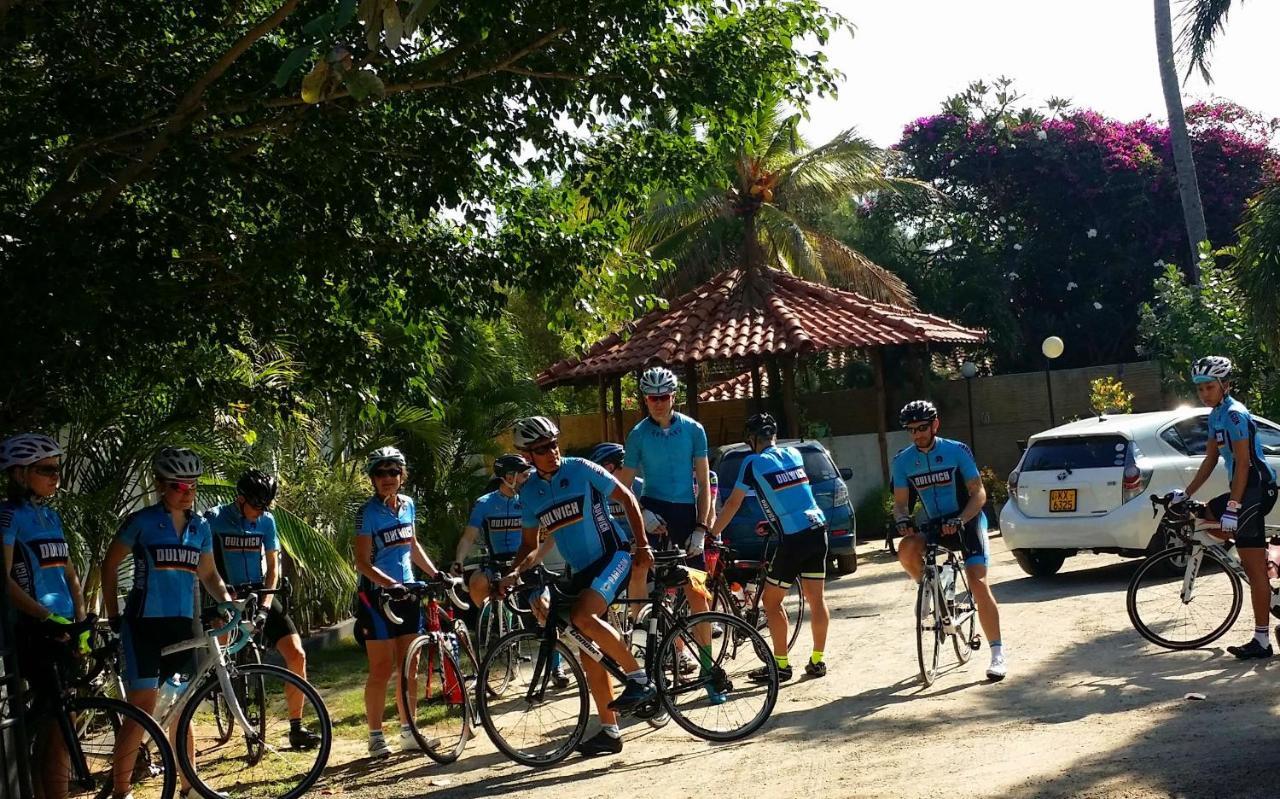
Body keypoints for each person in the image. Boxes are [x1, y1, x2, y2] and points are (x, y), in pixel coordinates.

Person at [500, 416, 656, 756]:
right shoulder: (528, 494)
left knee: (584, 618)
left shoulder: (582, 468)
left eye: (554, 444)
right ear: (528, 455)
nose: (551, 452)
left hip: (613, 556)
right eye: (542, 449)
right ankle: (610, 732)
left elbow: (628, 497)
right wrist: (513, 573)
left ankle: (640, 679)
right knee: (588, 653)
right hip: (581, 569)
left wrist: (642, 545)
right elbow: (529, 545)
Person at [101, 446, 234, 799]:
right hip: (143, 625)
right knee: (141, 708)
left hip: (182, 625)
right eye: (178, 486)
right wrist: (113, 614)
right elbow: (109, 564)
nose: (187, 493)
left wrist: (228, 603)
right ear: (161, 485)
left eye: (192, 486)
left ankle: (189, 787)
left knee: (181, 708)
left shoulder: (201, 526)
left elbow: (208, 573)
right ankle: (121, 790)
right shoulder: (142, 522)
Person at [202, 468, 321, 748]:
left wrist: (266, 607)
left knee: (297, 654)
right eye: (256, 505)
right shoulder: (214, 519)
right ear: (240, 498)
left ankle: (296, 727)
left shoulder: (267, 521)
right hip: (224, 592)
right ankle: (216, 680)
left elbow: (273, 568)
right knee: (221, 648)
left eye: (264, 505)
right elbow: (204, 565)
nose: (259, 511)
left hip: (258, 590)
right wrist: (224, 598)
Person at [1, 433, 90, 799]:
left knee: (62, 720)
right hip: (33, 629)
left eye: (58, 468)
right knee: (44, 723)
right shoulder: (8, 515)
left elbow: (68, 572)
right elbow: (3, 579)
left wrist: (81, 619)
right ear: (20, 473)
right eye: (46, 470)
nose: (56, 476)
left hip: (65, 628)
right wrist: (44, 617)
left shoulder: (50, 515)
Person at [891, 400, 1006, 681]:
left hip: (966, 521)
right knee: (906, 549)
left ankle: (997, 654)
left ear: (935, 425)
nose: (917, 434)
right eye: (911, 430)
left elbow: (978, 494)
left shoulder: (956, 451)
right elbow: (900, 504)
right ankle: (929, 586)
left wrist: (961, 520)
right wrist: (902, 519)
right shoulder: (903, 460)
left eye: (922, 428)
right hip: (934, 524)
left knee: (978, 584)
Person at [711, 413, 830, 681]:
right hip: (817, 528)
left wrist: (712, 533)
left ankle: (781, 666)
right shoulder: (794, 455)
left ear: (751, 440)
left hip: (794, 537)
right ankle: (818, 661)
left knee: (771, 601)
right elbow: (792, 495)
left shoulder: (752, 462)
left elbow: (733, 504)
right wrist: (773, 521)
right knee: (816, 599)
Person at [1176, 356, 1279, 659]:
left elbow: (1245, 464)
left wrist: (1233, 506)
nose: (1204, 394)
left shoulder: (1234, 414)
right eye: (1200, 389)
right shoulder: (1216, 415)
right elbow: (1210, 460)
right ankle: (1248, 551)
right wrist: (1185, 493)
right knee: (1206, 511)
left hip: (1255, 489)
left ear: (1225, 385)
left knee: (1253, 570)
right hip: (1242, 489)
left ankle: (1261, 641)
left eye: (1209, 387)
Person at [351, 446, 450, 758]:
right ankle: (376, 736)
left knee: (411, 665)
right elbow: (362, 562)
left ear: (402, 475)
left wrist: (435, 573)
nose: (388, 478)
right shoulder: (367, 513)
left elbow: (412, 545)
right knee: (381, 668)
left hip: (408, 594)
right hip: (377, 597)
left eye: (393, 471)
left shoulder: (407, 505)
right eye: (380, 473)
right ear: (372, 479)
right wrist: (390, 585)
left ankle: (410, 731)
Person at [616, 367, 715, 672]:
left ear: (674, 397)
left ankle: (709, 668)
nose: (658, 402)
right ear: (644, 400)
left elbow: (704, 483)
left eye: (663, 396)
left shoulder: (694, 430)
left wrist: (701, 528)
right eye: (651, 397)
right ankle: (646, 660)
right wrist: (641, 514)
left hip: (685, 512)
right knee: (643, 583)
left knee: (696, 593)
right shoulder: (638, 435)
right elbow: (625, 485)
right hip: (653, 510)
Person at [453, 454, 531, 607]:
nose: (528, 480)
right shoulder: (484, 503)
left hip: (523, 559)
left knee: (541, 600)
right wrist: (459, 561)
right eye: (524, 476)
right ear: (509, 477)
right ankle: (488, 620)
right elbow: (469, 537)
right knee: (476, 583)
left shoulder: (529, 500)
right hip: (496, 561)